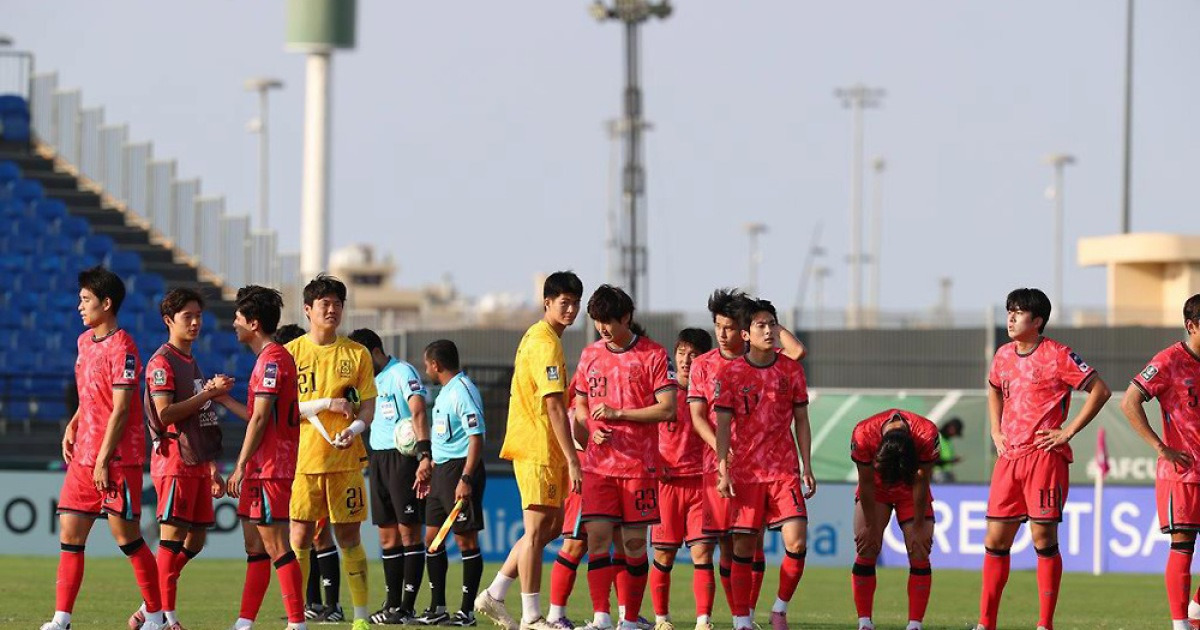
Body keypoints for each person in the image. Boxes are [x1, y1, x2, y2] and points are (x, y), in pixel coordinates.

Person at [975, 288, 1111, 630]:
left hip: (1044, 458)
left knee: (1043, 539)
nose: (1010, 317)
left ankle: (1044, 624)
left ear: (1037, 321)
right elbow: (992, 387)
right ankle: (986, 623)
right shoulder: (1003, 355)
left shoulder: (1058, 354)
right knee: (995, 540)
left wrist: (1067, 432)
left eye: (1018, 312)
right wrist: (996, 430)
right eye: (1009, 311)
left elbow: (1100, 390)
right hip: (1009, 458)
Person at [42, 266, 165, 630]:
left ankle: (156, 615)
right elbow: (90, 394)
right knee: (70, 533)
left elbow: (123, 405)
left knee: (126, 537)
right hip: (83, 456)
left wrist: (103, 458)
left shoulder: (124, 346)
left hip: (116, 459)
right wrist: (75, 422)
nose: (80, 306)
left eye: (86, 300)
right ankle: (61, 619)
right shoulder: (83, 342)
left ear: (106, 303)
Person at [687, 289, 806, 624]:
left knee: (754, 546)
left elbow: (797, 351)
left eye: (730, 326)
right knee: (731, 545)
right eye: (718, 327)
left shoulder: (764, 353)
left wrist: (764, 316)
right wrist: (722, 452)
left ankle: (749, 612)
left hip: (770, 466)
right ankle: (738, 615)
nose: (723, 334)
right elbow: (698, 417)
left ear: (742, 329)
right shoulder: (704, 365)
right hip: (722, 464)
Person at [477, 271, 584, 630]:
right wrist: (573, 458)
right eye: (563, 303)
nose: (570, 309)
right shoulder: (544, 342)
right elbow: (554, 405)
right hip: (538, 445)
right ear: (547, 303)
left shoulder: (545, 337)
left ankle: (495, 592)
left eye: (575, 302)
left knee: (550, 526)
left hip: (544, 446)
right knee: (538, 532)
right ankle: (532, 617)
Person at [573, 284, 677, 630]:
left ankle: (630, 620)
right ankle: (601, 618)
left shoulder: (654, 355)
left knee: (633, 546)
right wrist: (590, 426)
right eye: (598, 322)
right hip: (599, 467)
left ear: (627, 318)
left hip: (638, 467)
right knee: (598, 540)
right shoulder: (590, 355)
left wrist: (619, 415)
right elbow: (581, 403)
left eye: (609, 322)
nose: (603, 329)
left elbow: (667, 409)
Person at [129, 288, 229, 630]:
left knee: (196, 540)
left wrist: (212, 466)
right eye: (188, 316)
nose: (196, 322)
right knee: (170, 541)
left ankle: (148, 606)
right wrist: (209, 393)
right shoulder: (162, 362)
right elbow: (167, 414)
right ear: (169, 320)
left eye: (199, 316)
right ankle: (166, 619)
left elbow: (201, 416)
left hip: (197, 462)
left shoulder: (190, 360)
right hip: (174, 460)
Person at [286, 275, 378, 630]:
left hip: (345, 462)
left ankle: (360, 617)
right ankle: (297, 618)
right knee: (299, 538)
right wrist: (325, 403)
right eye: (324, 304)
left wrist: (353, 428)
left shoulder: (356, 354)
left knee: (349, 538)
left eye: (337, 304)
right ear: (308, 310)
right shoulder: (292, 353)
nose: (332, 309)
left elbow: (363, 404)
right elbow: (284, 410)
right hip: (304, 462)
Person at [217, 286, 309, 630]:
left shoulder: (272, 360)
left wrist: (239, 465)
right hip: (261, 466)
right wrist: (224, 400)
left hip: (271, 466)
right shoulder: (266, 360)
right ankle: (244, 622)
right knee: (255, 546)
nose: (234, 325)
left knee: (276, 545)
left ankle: (297, 623)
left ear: (254, 323)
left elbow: (260, 417)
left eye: (238, 319)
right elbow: (257, 413)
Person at [1120, 293, 1200, 630]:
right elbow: (1130, 401)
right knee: (1183, 545)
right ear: (1191, 325)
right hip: (1183, 472)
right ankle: (1180, 624)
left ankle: (1196, 607)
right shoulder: (1169, 361)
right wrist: (1160, 446)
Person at [347, 327, 433, 625]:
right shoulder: (367, 379)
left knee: (408, 531)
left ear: (372, 351)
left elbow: (418, 410)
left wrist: (424, 454)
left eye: (360, 357)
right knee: (386, 535)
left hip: (403, 458)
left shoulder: (401, 372)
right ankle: (392, 603)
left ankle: (407, 607)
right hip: (379, 458)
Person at [849, 409, 940, 630]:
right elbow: (867, 483)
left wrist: (919, 523)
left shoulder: (927, 434)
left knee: (919, 548)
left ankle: (915, 625)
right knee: (867, 546)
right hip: (877, 489)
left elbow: (921, 480)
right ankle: (864, 623)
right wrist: (870, 526)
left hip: (911, 489)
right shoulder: (863, 434)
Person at [650, 328, 716, 630]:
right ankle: (662, 619)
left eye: (693, 354)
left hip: (702, 484)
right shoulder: (663, 391)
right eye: (682, 353)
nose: (687, 360)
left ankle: (703, 621)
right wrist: (655, 460)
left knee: (703, 551)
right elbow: (645, 431)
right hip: (667, 484)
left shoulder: (712, 393)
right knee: (664, 553)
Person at [275, 323, 342, 620]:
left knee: (320, 535)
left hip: (322, 461)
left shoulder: (315, 372)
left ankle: (331, 606)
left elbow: (296, 408)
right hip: (299, 461)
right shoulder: (292, 376)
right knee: (304, 536)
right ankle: (310, 604)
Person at [422, 339, 488, 627]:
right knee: (432, 540)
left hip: (460, 470)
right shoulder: (446, 392)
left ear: (435, 365)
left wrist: (466, 477)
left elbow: (476, 437)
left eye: (427, 364)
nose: (426, 369)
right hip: (442, 473)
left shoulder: (463, 391)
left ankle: (466, 612)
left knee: (465, 539)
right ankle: (438, 607)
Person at [933, 418, 964, 483]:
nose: (954, 435)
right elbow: (934, 460)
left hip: (947, 473)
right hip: (937, 474)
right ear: (950, 428)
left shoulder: (948, 441)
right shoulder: (937, 438)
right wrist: (951, 460)